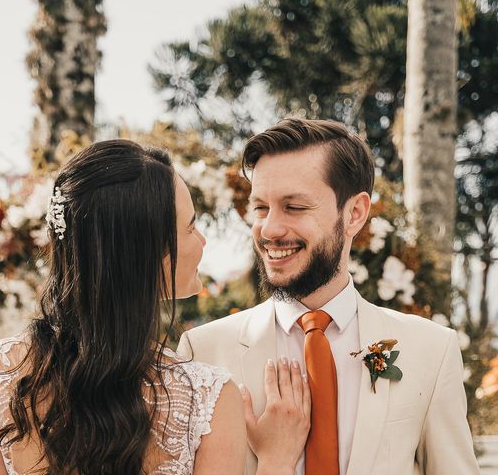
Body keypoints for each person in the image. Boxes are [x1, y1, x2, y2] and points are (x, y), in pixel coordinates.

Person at [0, 140, 310, 475]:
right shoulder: (209, 400)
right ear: (143, 255)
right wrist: (276, 463)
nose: (202, 241)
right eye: (190, 227)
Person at [178, 119, 480, 475]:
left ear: (354, 214)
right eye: (260, 208)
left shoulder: (432, 349)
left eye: (294, 207)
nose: (270, 229)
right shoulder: (202, 354)